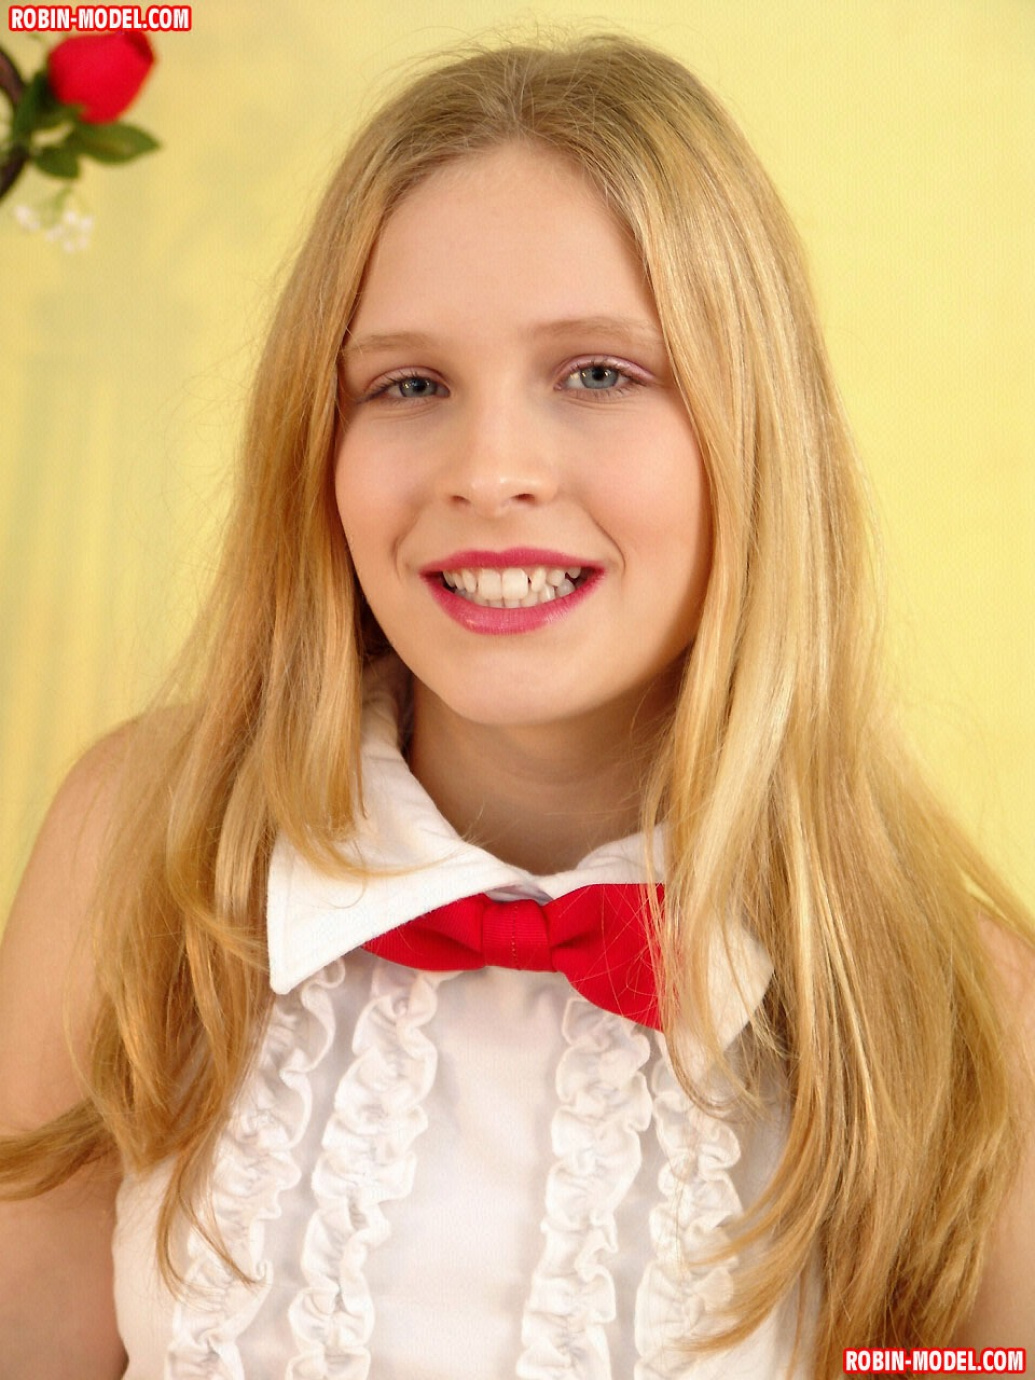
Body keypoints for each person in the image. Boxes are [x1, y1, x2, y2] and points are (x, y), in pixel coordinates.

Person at [1, 33, 1033, 1380]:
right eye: (408, 384)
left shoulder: (966, 1011)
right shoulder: (142, 842)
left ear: (754, 432)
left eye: (599, 373)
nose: (490, 471)